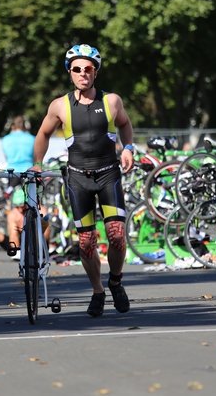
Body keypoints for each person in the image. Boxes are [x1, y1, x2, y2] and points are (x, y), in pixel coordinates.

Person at [33, 43, 134, 317]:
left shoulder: (111, 101)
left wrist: (128, 148)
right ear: (70, 72)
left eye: (88, 69)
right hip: (78, 179)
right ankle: (98, 291)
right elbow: (42, 134)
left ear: (95, 72)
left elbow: (125, 124)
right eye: (77, 69)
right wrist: (37, 165)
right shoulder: (60, 106)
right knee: (87, 241)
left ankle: (115, 281)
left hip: (108, 173)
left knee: (117, 236)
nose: (82, 73)